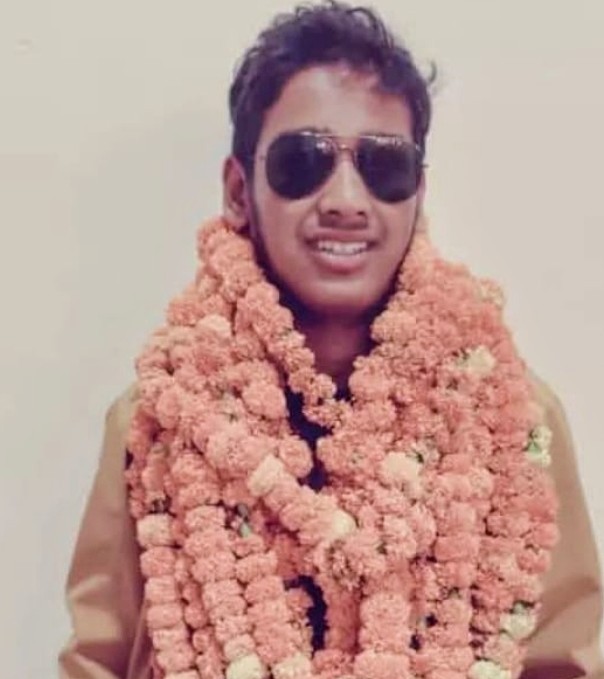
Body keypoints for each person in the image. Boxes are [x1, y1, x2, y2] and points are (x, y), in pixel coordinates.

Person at [59, 2, 604, 678]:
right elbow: (98, 662)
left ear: (417, 193)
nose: (346, 198)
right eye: (304, 160)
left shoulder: (512, 419)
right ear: (238, 191)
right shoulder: (162, 421)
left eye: (383, 165)